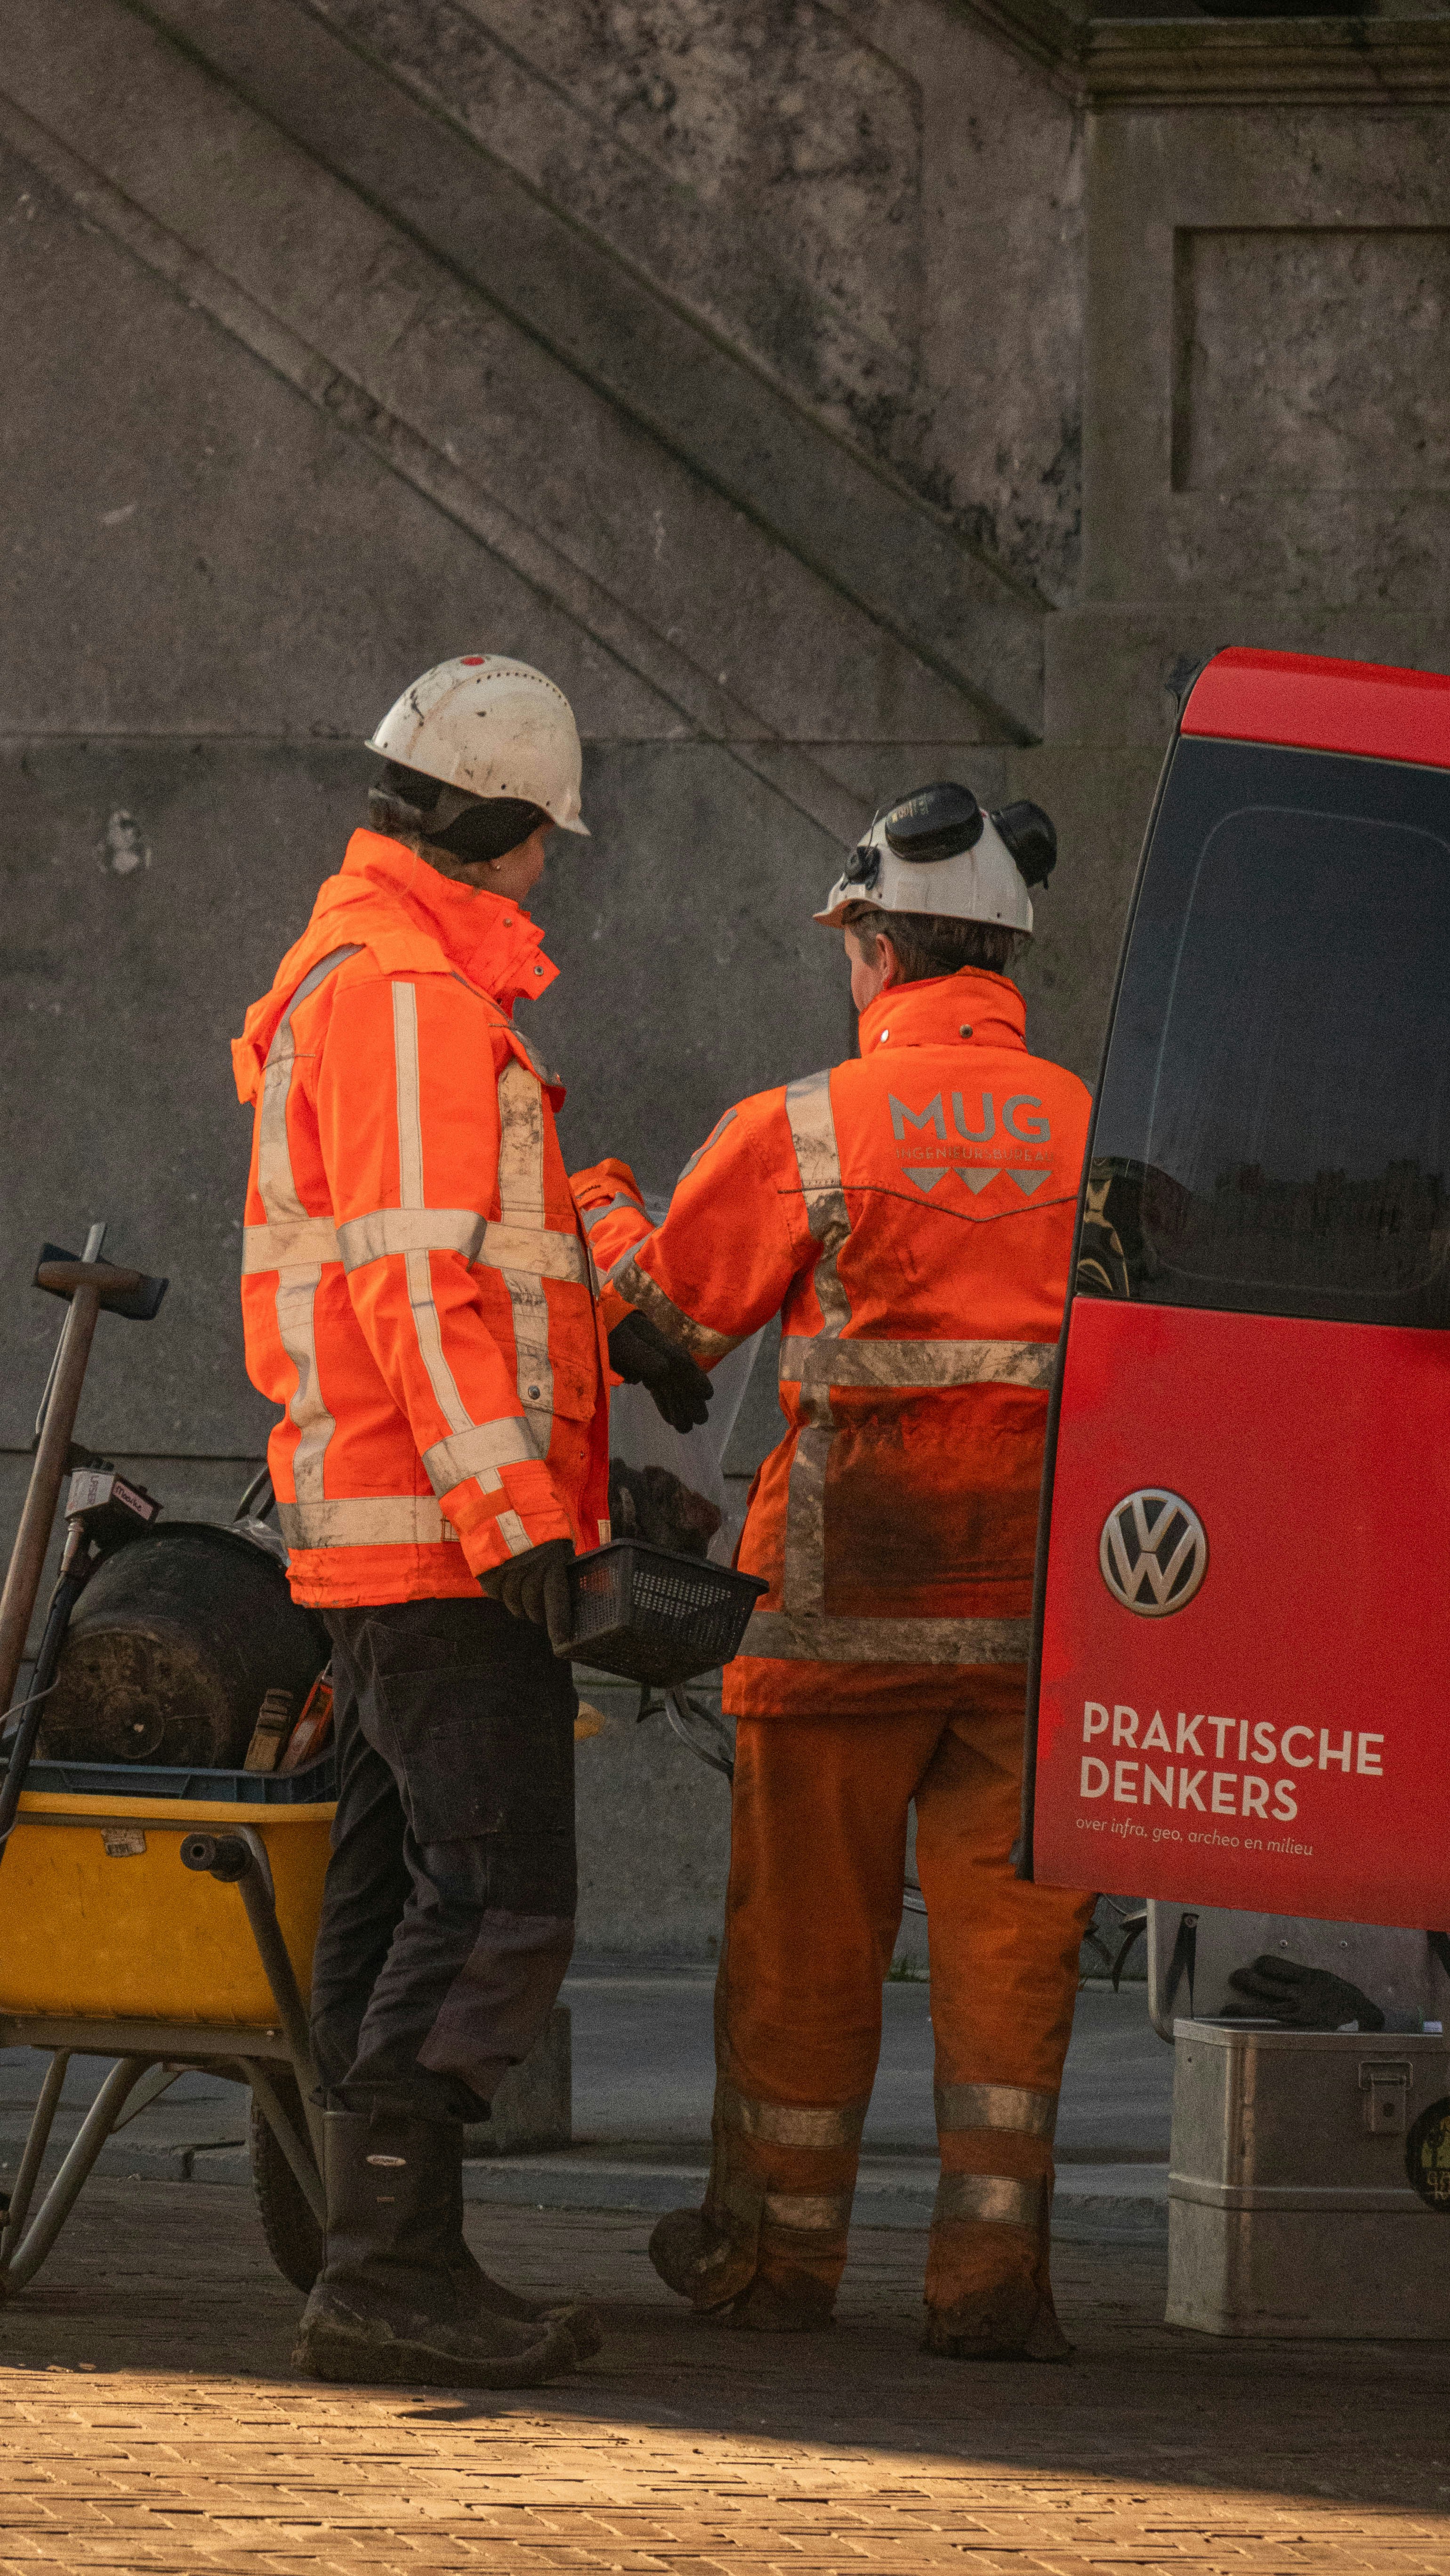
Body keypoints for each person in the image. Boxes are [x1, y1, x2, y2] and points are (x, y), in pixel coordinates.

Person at [232, 653, 709, 2388]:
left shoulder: (389, 986)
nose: (546, 873)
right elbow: (422, 1282)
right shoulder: (412, 1001)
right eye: (542, 844)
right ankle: (384, 2262)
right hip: (442, 1536)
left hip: (383, 1530)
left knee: (400, 1883)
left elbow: (490, 1222)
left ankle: (364, 2251)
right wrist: (516, 1513)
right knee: (504, 1890)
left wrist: (626, 1309)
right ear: (507, 829)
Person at [591, 781, 1097, 2359]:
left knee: (807, 1959)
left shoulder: (806, 1125)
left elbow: (662, 1332)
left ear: (877, 948)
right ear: (1008, 965)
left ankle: (776, 2264)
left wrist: (607, 1206)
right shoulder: (1106, 1130)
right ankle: (993, 2281)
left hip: (832, 1625)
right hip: (1035, 1631)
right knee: (1014, 1966)